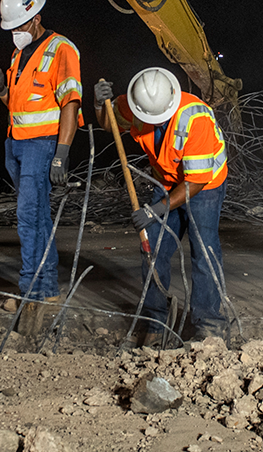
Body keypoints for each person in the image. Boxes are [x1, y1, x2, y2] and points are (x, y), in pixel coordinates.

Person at [94, 68, 229, 344]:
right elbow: (110, 125)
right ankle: (155, 320)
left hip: (205, 185)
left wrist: (155, 210)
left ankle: (209, 324)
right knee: (152, 248)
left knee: (204, 249)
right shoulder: (136, 103)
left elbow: (195, 183)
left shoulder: (195, 118)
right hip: (166, 181)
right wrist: (99, 105)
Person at [0, 0, 82, 335]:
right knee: (36, 216)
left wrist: (62, 154)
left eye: (21, 24)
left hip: (42, 146)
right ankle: (44, 290)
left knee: (28, 217)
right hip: (16, 144)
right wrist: (0, 87)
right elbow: (19, 103)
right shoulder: (17, 54)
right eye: (12, 27)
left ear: (36, 18)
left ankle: (33, 291)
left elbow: (70, 102)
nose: (16, 32)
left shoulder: (61, 50)